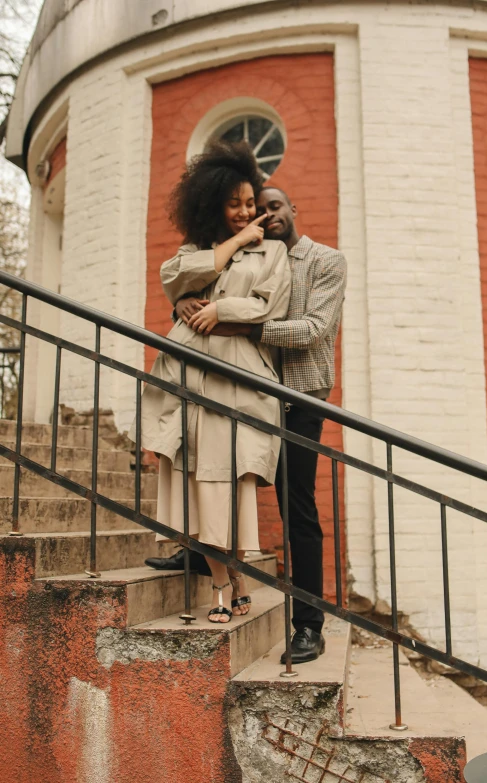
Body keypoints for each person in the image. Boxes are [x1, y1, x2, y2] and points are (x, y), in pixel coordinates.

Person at [147, 186, 347, 663]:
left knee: (296, 506)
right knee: (213, 470)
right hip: (244, 385)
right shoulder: (242, 250)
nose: (264, 214)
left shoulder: (324, 261)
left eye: (274, 205)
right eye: (257, 208)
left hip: (297, 397)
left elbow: (312, 329)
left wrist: (239, 324)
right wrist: (184, 305)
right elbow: (193, 289)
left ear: (293, 208)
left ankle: (309, 624)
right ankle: (202, 552)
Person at [132, 144, 291, 624]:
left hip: (234, 383)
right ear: (212, 205)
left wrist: (217, 310)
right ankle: (225, 583)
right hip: (185, 379)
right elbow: (174, 278)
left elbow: (267, 307)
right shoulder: (195, 251)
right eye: (234, 203)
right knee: (191, 483)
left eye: (251, 202)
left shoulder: (274, 251)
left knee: (225, 483)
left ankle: (235, 576)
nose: (247, 212)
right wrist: (235, 244)